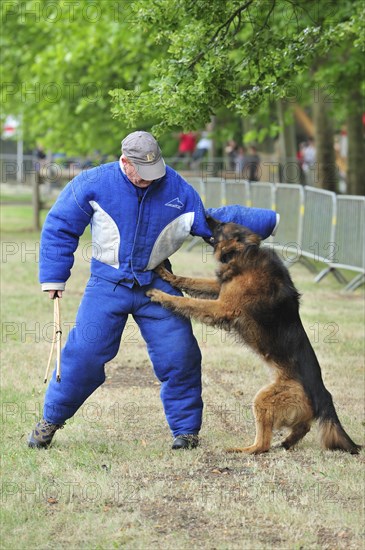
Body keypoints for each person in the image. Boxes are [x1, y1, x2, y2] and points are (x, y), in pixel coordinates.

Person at [28, 131, 278, 451]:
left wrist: (268, 221)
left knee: (181, 355)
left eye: (154, 172)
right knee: (84, 356)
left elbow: (212, 223)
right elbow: (60, 225)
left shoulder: (177, 190)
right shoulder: (93, 183)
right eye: (141, 174)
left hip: (157, 283)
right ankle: (50, 420)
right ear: (124, 162)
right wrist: (54, 276)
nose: (149, 179)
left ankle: (186, 431)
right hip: (107, 285)